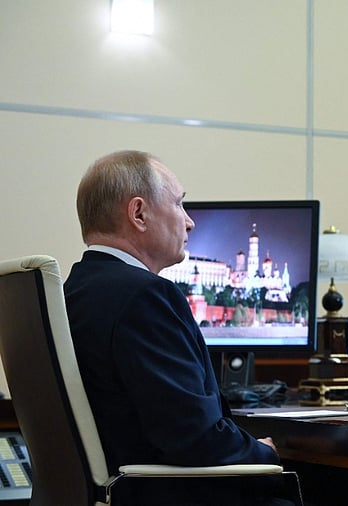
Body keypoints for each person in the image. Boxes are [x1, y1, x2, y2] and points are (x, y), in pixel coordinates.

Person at [64, 151, 292, 505]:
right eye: (179, 204)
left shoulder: (75, 289)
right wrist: (264, 454)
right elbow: (195, 437)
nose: (190, 222)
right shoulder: (144, 296)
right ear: (138, 213)